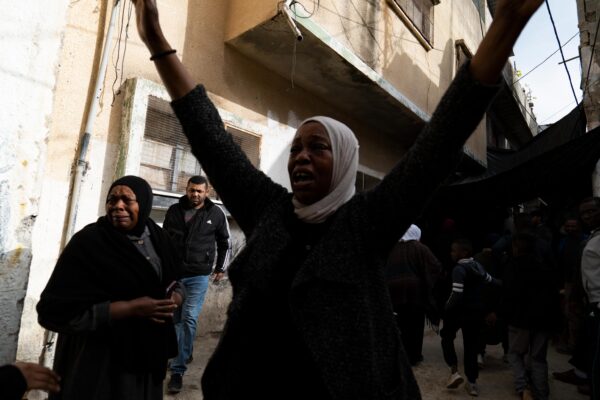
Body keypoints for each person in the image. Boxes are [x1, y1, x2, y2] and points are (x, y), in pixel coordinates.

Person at [130, 0, 544, 398]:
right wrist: (155, 41)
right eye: (295, 149)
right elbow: (209, 135)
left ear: (344, 160)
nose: (301, 157)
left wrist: (504, 26)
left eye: (317, 147)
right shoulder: (268, 210)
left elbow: (441, 141)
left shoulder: (366, 222)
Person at [37, 176, 183, 400]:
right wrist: (128, 308)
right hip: (100, 361)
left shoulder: (159, 237)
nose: (118, 206)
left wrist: (176, 297)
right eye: (112, 199)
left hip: (147, 355)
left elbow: (176, 280)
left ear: (143, 203)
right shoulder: (88, 244)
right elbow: (53, 310)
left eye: (127, 199)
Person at [163, 175, 230, 393]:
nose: (195, 194)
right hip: (174, 275)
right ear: (186, 189)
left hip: (198, 275)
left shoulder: (216, 214)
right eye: (192, 190)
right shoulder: (174, 210)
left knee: (188, 318)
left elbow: (224, 242)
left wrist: (220, 267)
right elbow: (163, 240)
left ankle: (178, 370)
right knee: (174, 319)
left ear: (207, 192)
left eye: (200, 191)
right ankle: (183, 351)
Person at [503, 232, 561, 400]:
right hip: (542, 321)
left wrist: (502, 316)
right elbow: (553, 298)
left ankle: (523, 387)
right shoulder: (545, 269)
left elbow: (507, 295)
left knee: (514, 354)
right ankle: (542, 393)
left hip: (519, 321)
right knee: (538, 358)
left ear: (515, 247)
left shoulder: (512, 267)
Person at [441, 238, 501, 396]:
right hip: (475, 313)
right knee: (471, 347)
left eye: (454, 250)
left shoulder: (458, 269)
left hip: (457, 313)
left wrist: (446, 307)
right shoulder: (478, 266)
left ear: (464, 252)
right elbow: (491, 281)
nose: (451, 253)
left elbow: (457, 293)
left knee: (446, 337)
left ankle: (454, 372)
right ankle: (472, 383)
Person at [385, 224, 441, 366]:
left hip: (393, 293)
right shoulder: (420, 248)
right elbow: (435, 267)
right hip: (415, 293)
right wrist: (425, 281)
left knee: (399, 324)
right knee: (415, 324)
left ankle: (399, 356)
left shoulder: (390, 247)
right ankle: (414, 356)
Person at [578, 197, 600, 398]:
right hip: (592, 301)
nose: (587, 216)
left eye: (592, 211)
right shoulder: (594, 235)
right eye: (584, 213)